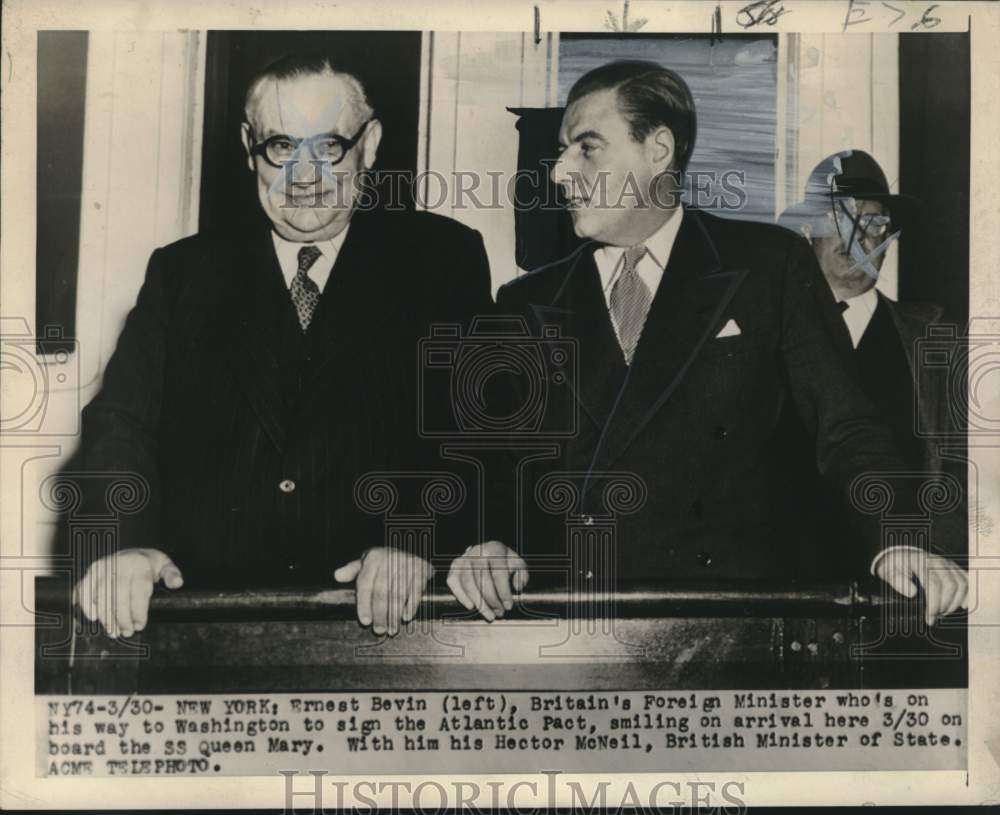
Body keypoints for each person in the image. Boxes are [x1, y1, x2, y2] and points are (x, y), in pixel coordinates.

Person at [453, 61, 966, 625]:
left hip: (733, 621)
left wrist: (894, 539)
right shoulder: (527, 300)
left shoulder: (766, 266)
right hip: (576, 623)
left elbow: (846, 429)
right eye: (562, 151)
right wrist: (487, 540)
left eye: (586, 148)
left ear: (658, 149)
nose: (559, 173)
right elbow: (494, 464)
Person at [73, 53, 493, 638]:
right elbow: (121, 425)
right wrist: (123, 546)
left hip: (380, 621)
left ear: (369, 145)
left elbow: (483, 434)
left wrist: (420, 541)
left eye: (328, 148)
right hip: (204, 619)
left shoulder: (442, 260)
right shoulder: (183, 273)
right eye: (280, 146)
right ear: (249, 145)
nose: (303, 175)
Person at [778, 150, 967, 584]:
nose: (857, 235)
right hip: (787, 592)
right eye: (838, 217)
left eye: (875, 223)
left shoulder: (936, 341)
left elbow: (965, 472)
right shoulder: (768, 335)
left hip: (905, 593)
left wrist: (929, 558)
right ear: (810, 230)